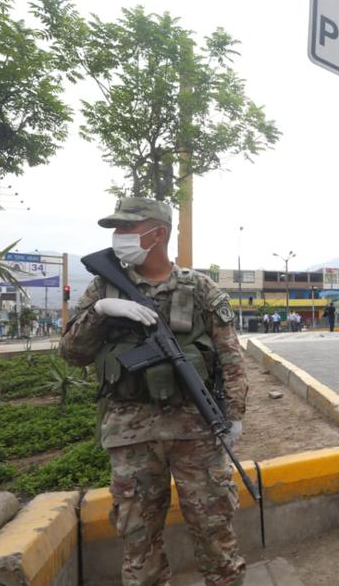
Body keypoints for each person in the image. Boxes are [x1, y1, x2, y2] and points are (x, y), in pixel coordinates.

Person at [59, 198, 248, 585]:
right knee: (138, 538)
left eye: (128, 228)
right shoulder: (103, 286)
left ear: (158, 233)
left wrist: (234, 415)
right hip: (131, 432)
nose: (119, 237)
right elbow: (72, 354)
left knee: (215, 531)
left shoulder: (199, 288)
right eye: (117, 229)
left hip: (196, 428)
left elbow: (231, 358)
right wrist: (102, 311)